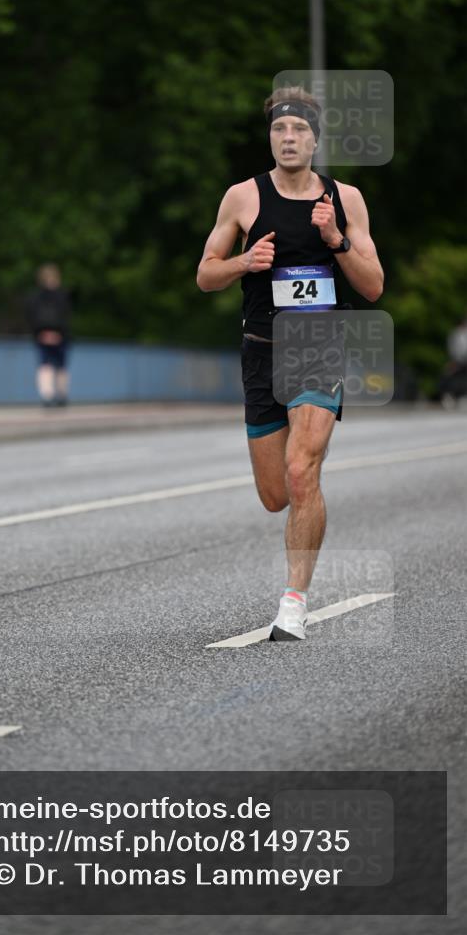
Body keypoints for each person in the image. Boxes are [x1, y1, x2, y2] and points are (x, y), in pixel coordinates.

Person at [197, 86, 384, 640]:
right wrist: (243, 262)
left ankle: (293, 604)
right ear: (270, 137)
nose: (288, 138)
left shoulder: (344, 199)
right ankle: (302, 517)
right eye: (280, 130)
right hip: (261, 349)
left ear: (315, 138)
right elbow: (205, 274)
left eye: (299, 130)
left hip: (318, 347)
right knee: (276, 494)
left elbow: (373, 287)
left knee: (302, 473)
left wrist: (335, 240)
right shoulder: (242, 198)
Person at [25, 263, 71, 407]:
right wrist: (54, 333)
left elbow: (31, 317)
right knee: (53, 366)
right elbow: (64, 317)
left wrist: (42, 333)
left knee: (51, 366)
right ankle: (54, 396)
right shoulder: (59, 296)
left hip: (47, 334)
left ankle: (53, 396)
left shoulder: (36, 297)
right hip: (52, 334)